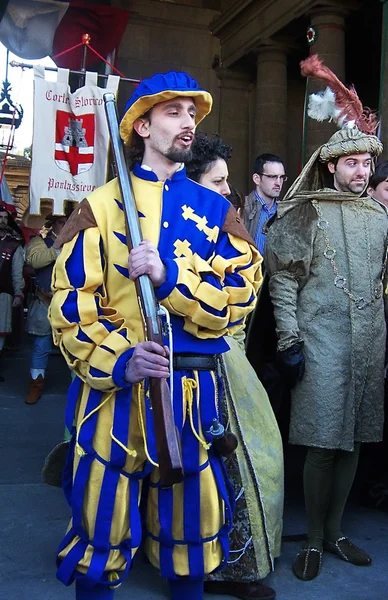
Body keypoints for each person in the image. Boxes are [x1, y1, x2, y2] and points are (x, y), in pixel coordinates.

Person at [48, 71, 262, 600]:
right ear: (141, 125)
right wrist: (122, 359)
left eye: (193, 114)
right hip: (113, 399)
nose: (188, 123)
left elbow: (241, 295)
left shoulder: (218, 210)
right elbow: (71, 306)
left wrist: (173, 279)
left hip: (191, 395)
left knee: (191, 530)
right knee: (102, 523)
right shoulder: (99, 208)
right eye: (174, 113)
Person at [264, 55, 387, 581]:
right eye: (352, 163)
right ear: (332, 164)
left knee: (356, 438)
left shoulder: (380, 215)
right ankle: (312, 538)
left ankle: (336, 531)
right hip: (320, 342)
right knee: (321, 443)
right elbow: (284, 278)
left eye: (367, 164)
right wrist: (290, 340)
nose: (361, 171)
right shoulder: (304, 210)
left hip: (369, 344)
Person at [186, 132, 284, 600]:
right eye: (218, 180)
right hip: (178, 361)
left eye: (227, 180)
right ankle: (197, 568)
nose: (227, 190)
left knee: (248, 460)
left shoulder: (227, 223)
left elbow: (245, 288)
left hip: (227, 357)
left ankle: (237, 564)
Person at [25, 213, 67, 404]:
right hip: (45, 302)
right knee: (41, 347)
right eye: (61, 222)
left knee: (78, 347)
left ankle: (79, 389)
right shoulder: (39, 242)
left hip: (69, 304)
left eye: (68, 222)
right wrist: (58, 248)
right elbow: (35, 261)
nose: (65, 225)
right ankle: (35, 387)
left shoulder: (78, 242)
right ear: (52, 224)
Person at [244, 154, 286, 255]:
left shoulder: (286, 211)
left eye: (281, 177)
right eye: (273, 177)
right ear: (257, 179)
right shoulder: (241, 208)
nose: (278, 182)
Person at [0, 205, 24, 382]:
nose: (1, 220)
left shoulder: (13, 245)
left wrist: (18, 293)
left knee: (1, 331)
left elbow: (17, 272)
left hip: (3, 292)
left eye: (4, 217)